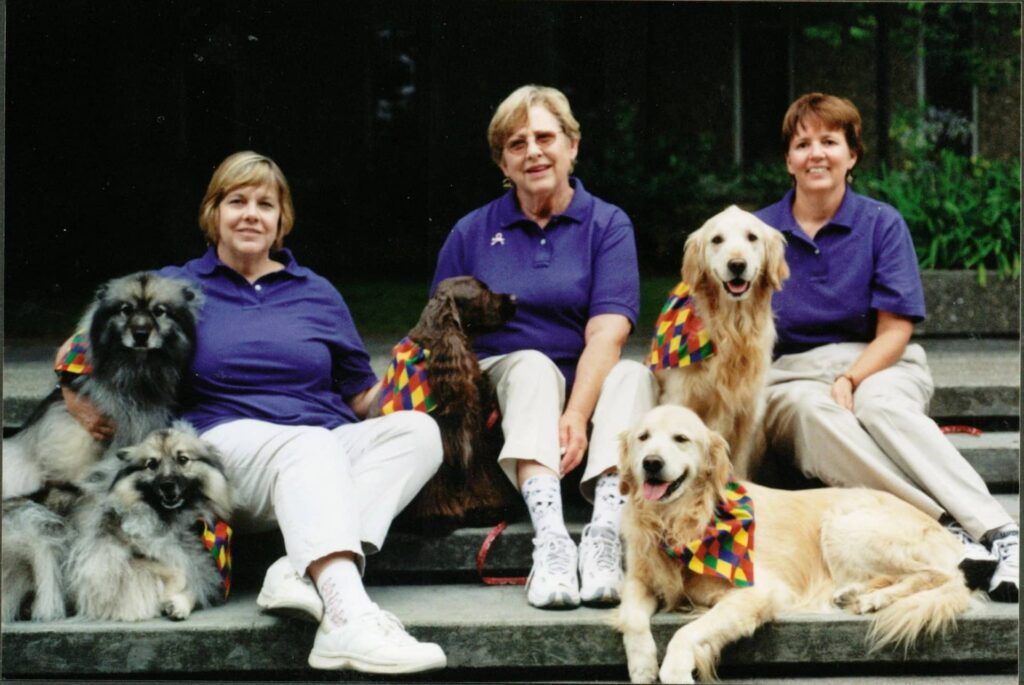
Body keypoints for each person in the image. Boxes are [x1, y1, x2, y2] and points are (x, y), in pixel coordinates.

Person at [61, 151, 448, 673]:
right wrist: (72, 391)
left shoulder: (318, 292)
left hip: (320, 450)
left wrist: (412, 370)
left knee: (418, 432)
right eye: (236, 201)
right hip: (224, 453)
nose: (251, 214)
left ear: (281, 220)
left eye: (265, 204)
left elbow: (360, 395)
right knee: (308, 442)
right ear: (213, 213)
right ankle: (348, 617)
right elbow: (91, 339)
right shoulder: (177, 286)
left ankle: (295, 570)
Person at [754, 93, 1019, 602]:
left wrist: (852, 378)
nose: (816, 154)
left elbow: (895, 330)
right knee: (812, 412)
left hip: (877, 360)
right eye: (802, 143)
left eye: (830, 141)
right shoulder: (761, 231)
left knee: (882, 406)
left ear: (852, 154)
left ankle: (999, 532)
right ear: (788, 158)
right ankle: (942, 527)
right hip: (789, 376)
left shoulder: (880, 223)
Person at [431, 85, 658, 609]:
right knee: (532, 367)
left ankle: (602, 536)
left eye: (545, 137)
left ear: (572, 145)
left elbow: (609, 330)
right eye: (516, 143)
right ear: (502, 162)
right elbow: (440, 330)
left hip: (582, 405)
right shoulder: (471, 232)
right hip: (505, 404)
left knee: (633, 375)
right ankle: (551, 540)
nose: (533, 151)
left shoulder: (607, 224)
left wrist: (577, 414)